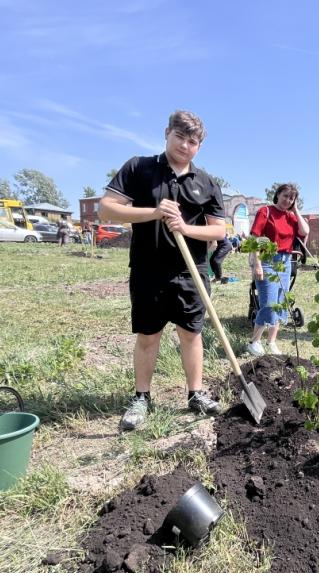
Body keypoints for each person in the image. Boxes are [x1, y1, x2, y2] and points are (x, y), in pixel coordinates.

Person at [99, 110, 227, 431]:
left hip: (191, 272)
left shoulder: (206, 183)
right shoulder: (139, 168)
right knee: (148, 335)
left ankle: (195, 394)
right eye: (180, 137)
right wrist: (155, 212)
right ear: (167, 133)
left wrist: (184, 227)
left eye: (193, 141)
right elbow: (106, 210)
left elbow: (218, 231)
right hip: (148, 269)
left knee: (191, 334)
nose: (185, 145)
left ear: (199, 146)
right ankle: (142, 397)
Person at [246, 183, 310, 356]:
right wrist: (257, 264)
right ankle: (254, 342)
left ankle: (272, 342)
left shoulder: (291, 216)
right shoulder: (265, 212)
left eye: (291, 198)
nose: (287, 200)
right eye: (285, 196)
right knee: (268, 303)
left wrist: (296, 210)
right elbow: (255, 239)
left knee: (281, 302)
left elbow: (305, 231)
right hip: (267, 260)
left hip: (286, 261)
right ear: (278, 194)